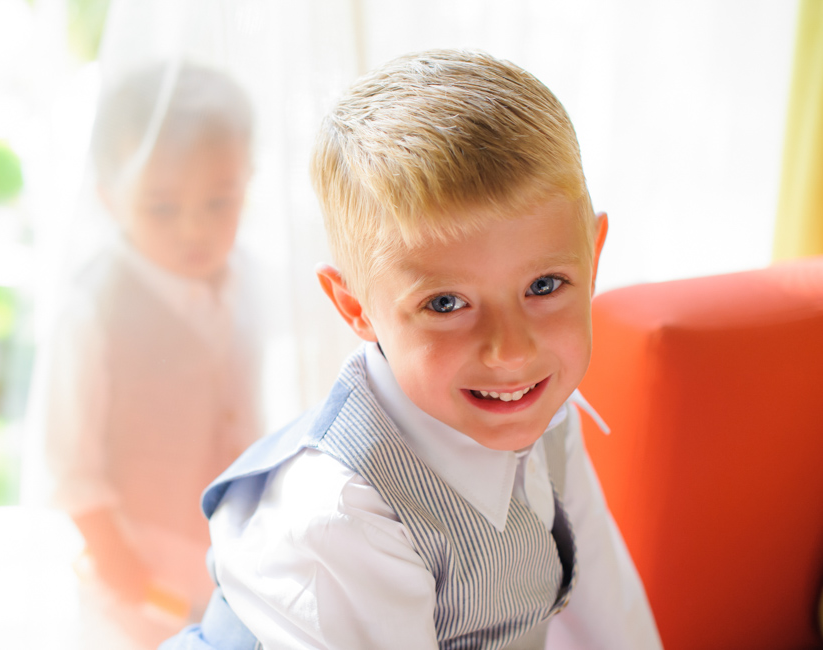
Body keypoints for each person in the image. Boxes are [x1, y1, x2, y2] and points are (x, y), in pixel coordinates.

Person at [163, 49, 662, 649]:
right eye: (447, 304)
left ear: (593, 256)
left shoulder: (541, 409)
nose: (510, 352)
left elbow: (613, 619)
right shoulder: (343, 516)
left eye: (544, 286)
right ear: (355, 308)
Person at [37, 62, 262, 648]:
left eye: (219, 202)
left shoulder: (249, 282)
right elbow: (70, 472)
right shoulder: (93, 308)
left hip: (238, 560)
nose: (194, 229)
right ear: (111, 200)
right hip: (139, 578)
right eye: (162, 208)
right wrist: (135, 581)